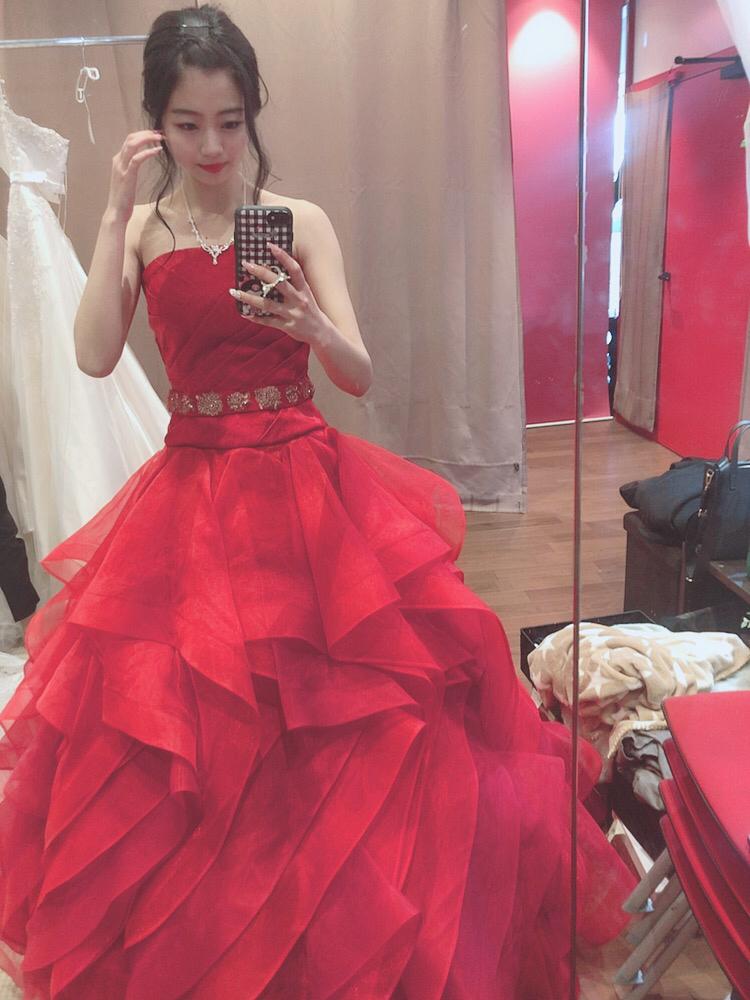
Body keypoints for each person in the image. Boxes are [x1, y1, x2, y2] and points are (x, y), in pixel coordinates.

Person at [0, 6, 634, 998]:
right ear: (156, 125)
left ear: (253, 113)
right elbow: (89, 355)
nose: (212, 146)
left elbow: (358, 370)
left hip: (305, 484)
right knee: (203, 726)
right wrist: (116, 211)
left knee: (343, 714)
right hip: (192, 490)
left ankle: (341, 935)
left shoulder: (297, 221)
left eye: (230, 121)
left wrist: (308, 322)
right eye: (187, 124)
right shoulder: (148, 228)